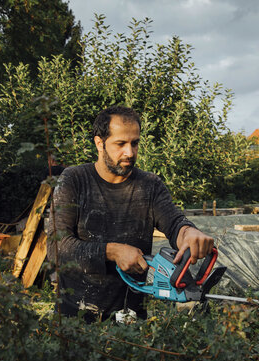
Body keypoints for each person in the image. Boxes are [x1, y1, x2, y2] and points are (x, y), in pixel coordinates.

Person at [47, 105, 214, 322]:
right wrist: (112, 251)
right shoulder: (74, 180)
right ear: (99, 143)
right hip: (75, 317)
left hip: (131, 318)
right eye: (120, 144)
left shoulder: (150, 185)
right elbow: (56, 249)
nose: (130, 152)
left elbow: (174, 223)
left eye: (134, 143)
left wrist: (189, 233)